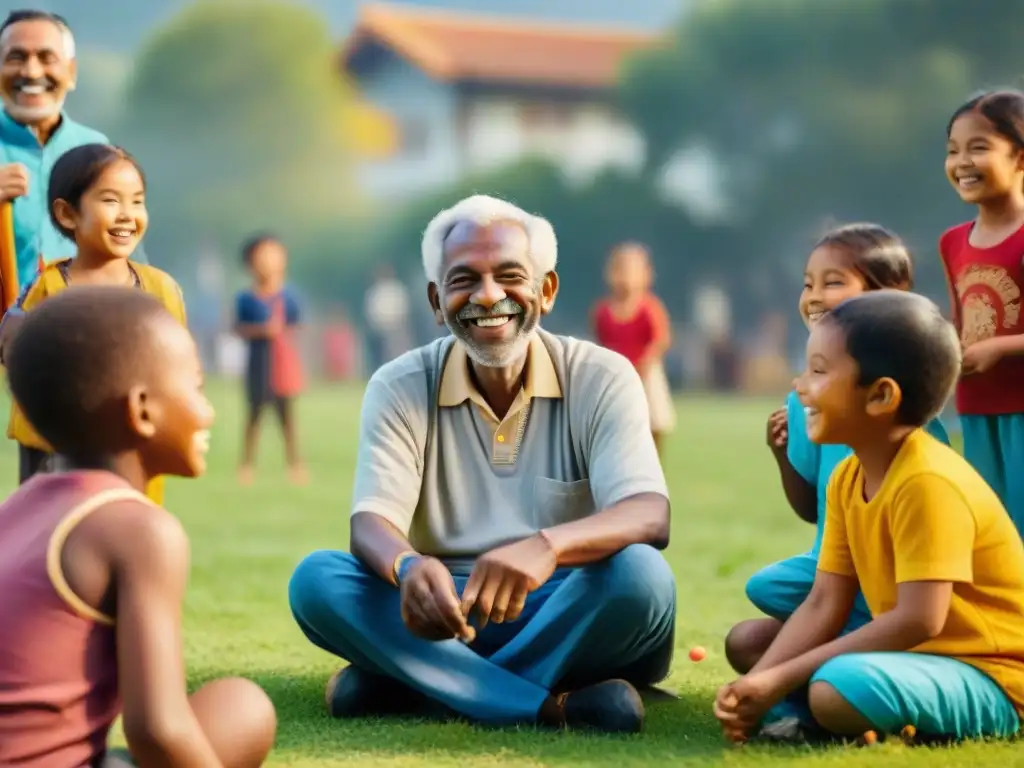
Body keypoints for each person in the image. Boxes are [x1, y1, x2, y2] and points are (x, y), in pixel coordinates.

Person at [288, 195, 675, 734]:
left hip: (571, 607)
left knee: (642, 576)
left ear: (546, 289)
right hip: (444, 612)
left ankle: (422, 685)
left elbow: (649, 514)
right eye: (463, 279)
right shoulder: (398, 385)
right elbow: (371, 523)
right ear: (435, 299)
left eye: (509, 276)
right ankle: (546, 706)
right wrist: (406, 567)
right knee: (316, 580)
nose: (488, 296)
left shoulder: (602, 376)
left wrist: (547, 546)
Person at [714, 291, 1024, 745]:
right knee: (754, 645)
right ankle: (795, 711)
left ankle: (815, 711)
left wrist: (778, 680)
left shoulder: (927, 481)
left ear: (880, 396)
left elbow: (919, 621)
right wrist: (757, 683)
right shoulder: (847, 476)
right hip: (915, 658)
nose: (800, 386)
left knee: (835, 688)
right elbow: (824, 602)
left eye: (819, 372)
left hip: (990, 671)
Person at [0, 286, 277, 767]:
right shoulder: (139, 530)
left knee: (241, 706)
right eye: (195, 388)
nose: (207, 411)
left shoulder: (17, 507)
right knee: (234, 710)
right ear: (143, 410)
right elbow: (156, 731)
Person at [726, 224, 950, 680]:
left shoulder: (905, 411)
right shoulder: (804, 402)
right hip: (833, 570)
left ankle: (856, 648)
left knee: (780, 631)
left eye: (833, 282)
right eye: (808, 283)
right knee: (756, 614)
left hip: (897, 579)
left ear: (889, 298)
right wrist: (781, 454)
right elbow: (811, 507)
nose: (813, 296)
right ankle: (830, 655)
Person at [1, 143, 183, 502]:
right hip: (53, 447)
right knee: (53, 539)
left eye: (137, 201)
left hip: (131, 447)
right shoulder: (48, 287)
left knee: (128, 532)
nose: (127, 214)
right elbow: (21, 359)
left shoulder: (160, 288)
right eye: (111, 201)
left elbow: (179, 368)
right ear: (68, 214)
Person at [0, 10, 145, 291]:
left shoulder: (96, 148)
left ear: (71, 71)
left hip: (82, 317)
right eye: (16, 57)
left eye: (46, 58)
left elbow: (124, 242)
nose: (31, 71)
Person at [941, 90, 1024, 538]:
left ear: (1020, 159)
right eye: (953, 150)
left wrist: (998, 348)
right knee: (993, 536)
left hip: (1022, 408)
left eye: (979, 147)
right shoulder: (953, 242)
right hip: (977, 409)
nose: (961, 161)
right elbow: (959, 325)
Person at [234, 233, 306, 486]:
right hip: (258, 363)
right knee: (254, 415)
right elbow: (238, 327)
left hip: (283, 363)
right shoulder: (246, 298)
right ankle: (246, 465)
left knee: (287, 418)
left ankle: (295, 464)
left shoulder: (289, 296)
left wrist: (282, 334)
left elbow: (297, 326)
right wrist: (262, 331)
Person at [591, 242, 675, 455]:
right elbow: (601, 342)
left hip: (645, 372)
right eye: (619, 269)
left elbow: (660, 340)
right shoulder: (603, 311)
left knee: (655, 419)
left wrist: (645, 362)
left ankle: (653, 462)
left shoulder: (649, 308)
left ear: (646, 274)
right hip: (615, 374)